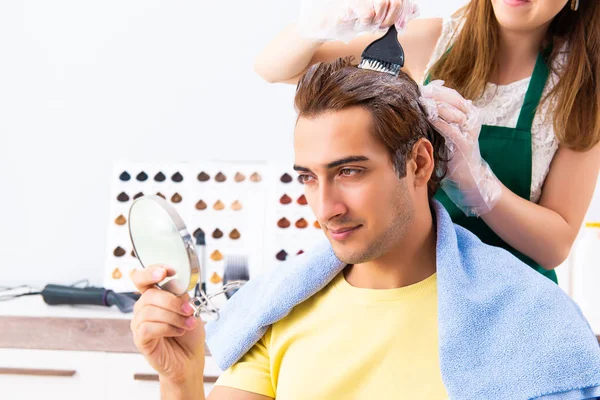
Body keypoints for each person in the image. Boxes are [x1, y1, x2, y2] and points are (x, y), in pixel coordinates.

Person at [130, 58, 600, 400]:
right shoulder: (278, 310)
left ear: (418, 163)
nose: (325, 207)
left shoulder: (526, 319)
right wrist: (181, 379)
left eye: (350, 171)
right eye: (309, 177)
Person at [253, 0, 600, 283]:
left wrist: (476, 182)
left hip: (516, 301)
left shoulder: (582, 88)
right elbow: (275, 69)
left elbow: (555, 245)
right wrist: (327, 21)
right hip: (416, 287)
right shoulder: (434, 41)